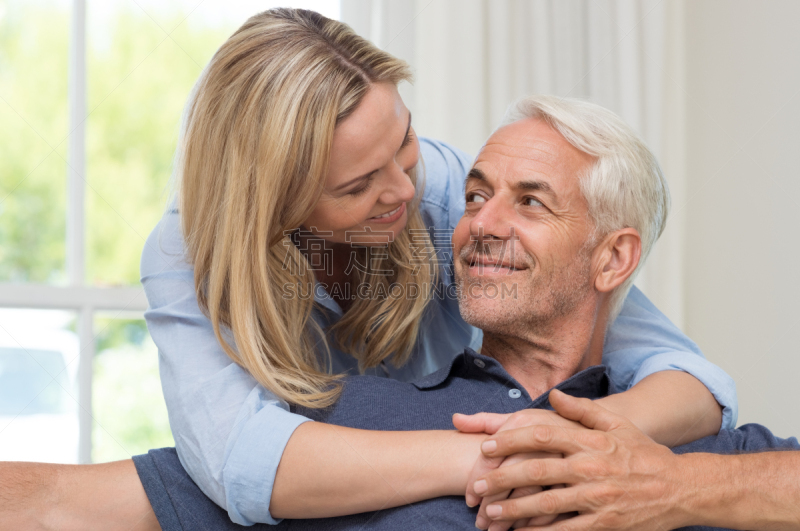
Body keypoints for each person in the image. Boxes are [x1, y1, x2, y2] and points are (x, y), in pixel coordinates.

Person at [139, 8, 735, 526]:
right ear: (277, 204)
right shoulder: (189, 254)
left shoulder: (449, 191)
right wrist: (506, 457)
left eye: (403, 140)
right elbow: (239, 461)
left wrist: (578, 450)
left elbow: (689, 380)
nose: (403, 189)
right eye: (358, 185)